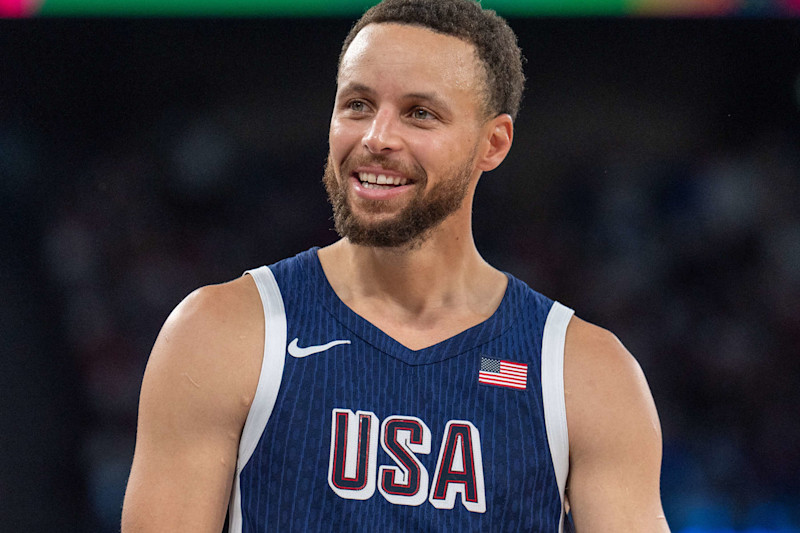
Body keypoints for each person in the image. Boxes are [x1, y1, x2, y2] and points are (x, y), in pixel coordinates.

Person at [121, 0, 670, 531]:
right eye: (357, 104)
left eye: (420, 114)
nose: (377, 137)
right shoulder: (220, 333)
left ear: (493, 144)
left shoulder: (586, 374)